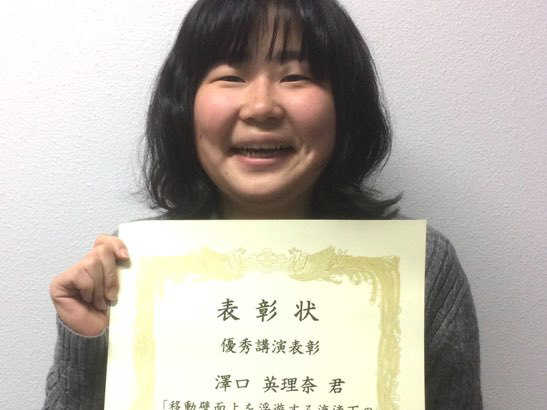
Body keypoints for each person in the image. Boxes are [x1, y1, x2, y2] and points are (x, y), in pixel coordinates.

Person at [43, 0, 482, 409]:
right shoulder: (128, 268)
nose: (260, 107)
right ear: (185, 104)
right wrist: (86, 341)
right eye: (231, 76)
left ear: (344, 107)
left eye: (295, 77)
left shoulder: (422, 267)